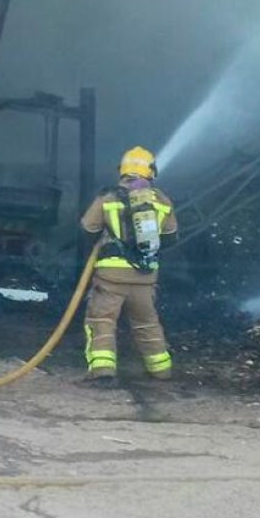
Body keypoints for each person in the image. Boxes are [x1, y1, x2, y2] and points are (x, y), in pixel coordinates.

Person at [79, 146, 179, 382]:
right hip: (145, 278)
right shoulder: (162, 200)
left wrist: (107, 237)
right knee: (147, 323)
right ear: (150, 171)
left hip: (110, 277)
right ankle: (161, 370)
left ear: (123, 171)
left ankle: (102, 371)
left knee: (101, 321)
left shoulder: (108, 197)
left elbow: (88, 227)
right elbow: (171, 237)